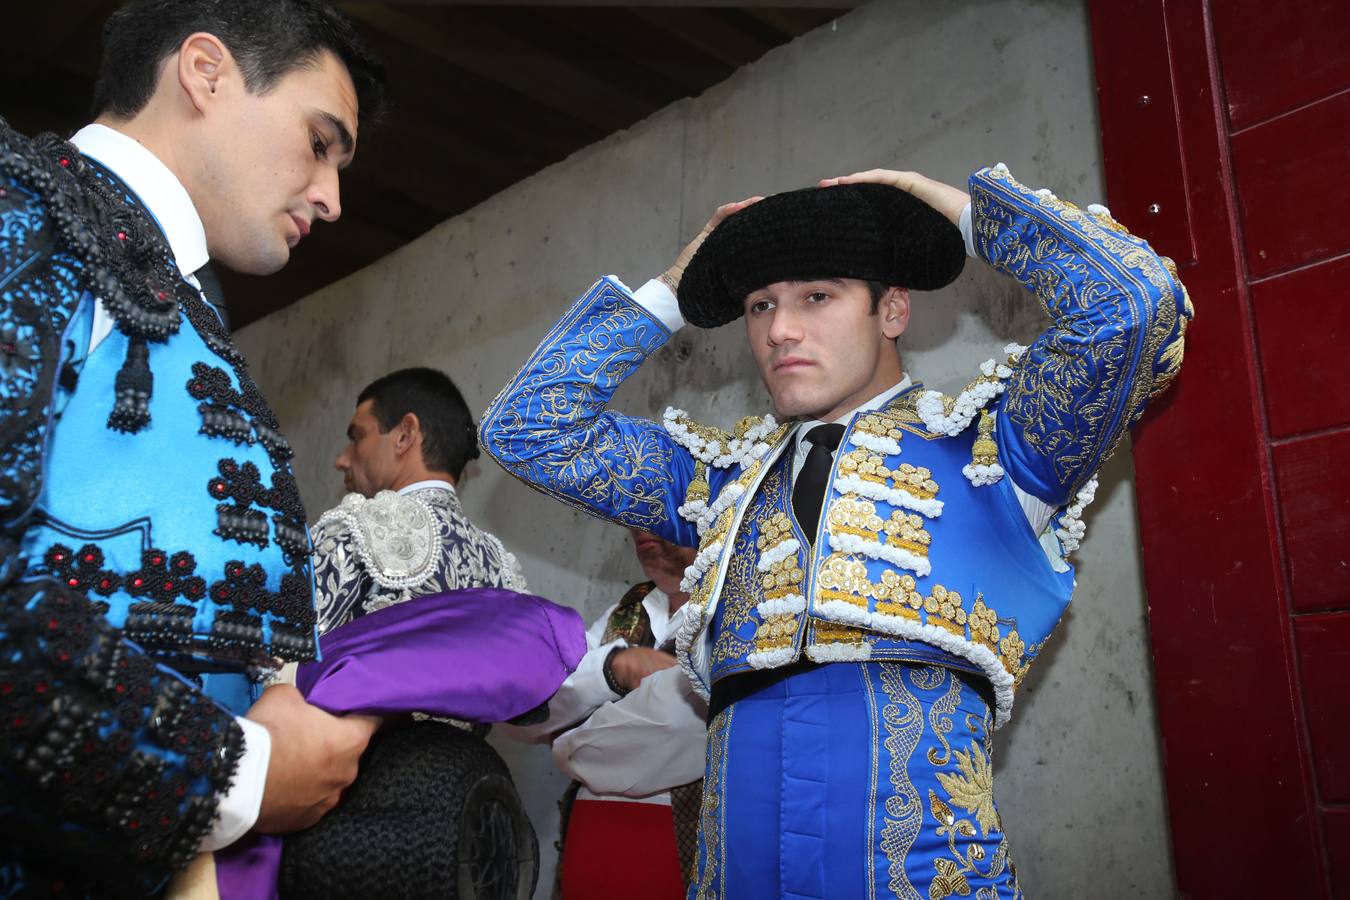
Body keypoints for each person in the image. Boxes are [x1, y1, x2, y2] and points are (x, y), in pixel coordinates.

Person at [479, 164, 1193, 897]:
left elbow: (1132, 306)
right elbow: (530, 428)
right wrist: (672, 289)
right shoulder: (719, 483)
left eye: (817, 296)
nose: (780, 330)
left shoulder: (995, 452)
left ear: (892, 311)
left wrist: (950, 209)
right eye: (759, 305)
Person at [0, 0, 389, 893]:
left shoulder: (167, 296)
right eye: (321, 142)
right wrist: (239, 769)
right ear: (205, 72)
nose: (332, 199)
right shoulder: (22, 208)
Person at [505, 527, 704, 898]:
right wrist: (615, 669)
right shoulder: (625, 610)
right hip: (590, 840)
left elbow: (680, 727)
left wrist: (571, 737)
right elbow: (523, 714)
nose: (639, 524)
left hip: (679, 851)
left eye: (659, 501)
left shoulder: (740, 611)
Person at [312, 367, 525, 634]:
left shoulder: (354, 531)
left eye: (357, 438)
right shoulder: (500, 569)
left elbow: (283, 655)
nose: (341, 460)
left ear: (404, 434)